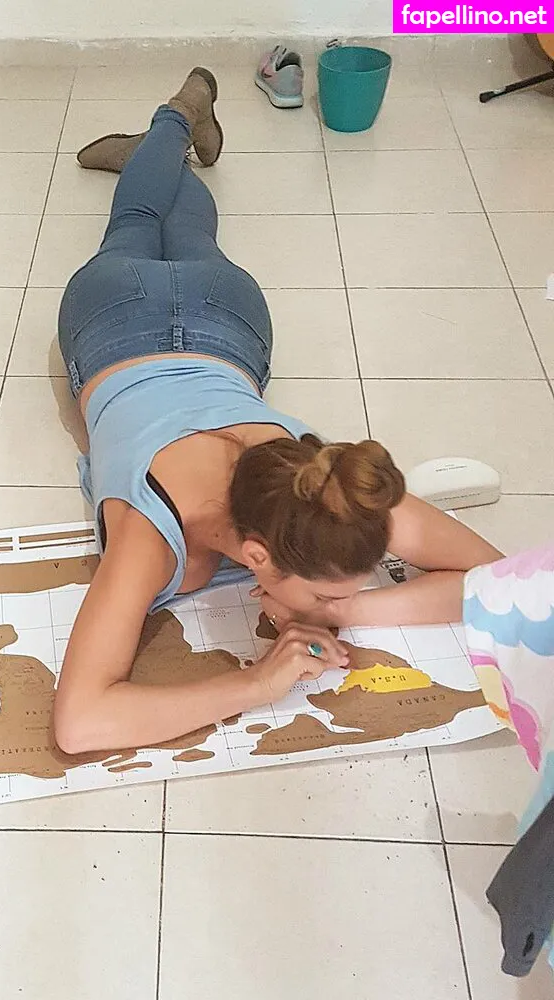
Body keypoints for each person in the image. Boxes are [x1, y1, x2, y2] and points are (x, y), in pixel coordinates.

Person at [51, 68, 502, 754]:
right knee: (138, 224)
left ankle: (164, 143)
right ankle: (169, 128)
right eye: (325, 596)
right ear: (257, 556)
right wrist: (258, 683)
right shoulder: (154, 529)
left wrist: (355, 608)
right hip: (118, 319)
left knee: (178, 233)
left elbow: (501, 584)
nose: (334, 609)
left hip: (221, 319)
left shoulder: (328, 486)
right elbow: (80, 723)